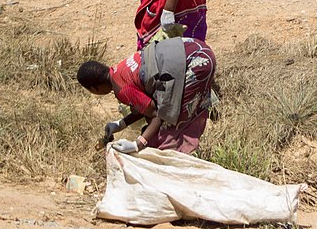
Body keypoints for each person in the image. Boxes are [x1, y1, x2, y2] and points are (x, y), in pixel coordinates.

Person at [77, 38, 216, 155]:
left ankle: (181, 168)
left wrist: (138, 145)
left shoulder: (122, 89)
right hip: (194, 47)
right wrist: (121, 124)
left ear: (94, 88)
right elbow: (146, 105)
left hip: (195, 63)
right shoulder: (119, 70)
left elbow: (156, 114)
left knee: (168, 135)